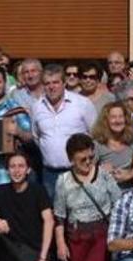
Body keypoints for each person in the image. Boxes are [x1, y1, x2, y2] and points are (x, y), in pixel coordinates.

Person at [54, 133, 123, 261]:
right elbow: (59, 217)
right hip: (77, 235)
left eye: (90, 158)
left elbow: (119, 203)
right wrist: (60, 244)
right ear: (71, 159)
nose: (87, 162)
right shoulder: (63, 181)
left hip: (101, 231)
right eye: (82, 159)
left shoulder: (104, 175)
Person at [36, 64, 100, 199]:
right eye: (47, 83)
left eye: (55, 82)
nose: (51, 87)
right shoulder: (37, 107)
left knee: (80, 213)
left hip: (78, 171)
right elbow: (37, 137)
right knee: (54, 214)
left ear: (64, 83)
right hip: (50, 174)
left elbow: (96, 135)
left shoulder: (82, 103)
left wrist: (92, 167)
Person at [94, 101, 133, 188]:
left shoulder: (132, 137)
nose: (118, 121)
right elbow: (89, 169)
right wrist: (100, 170)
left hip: (128, 189)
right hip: (105, 189)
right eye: (113, 117)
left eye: (121, 116)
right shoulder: (97, 142)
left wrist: (130, 174)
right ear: (106, 120)